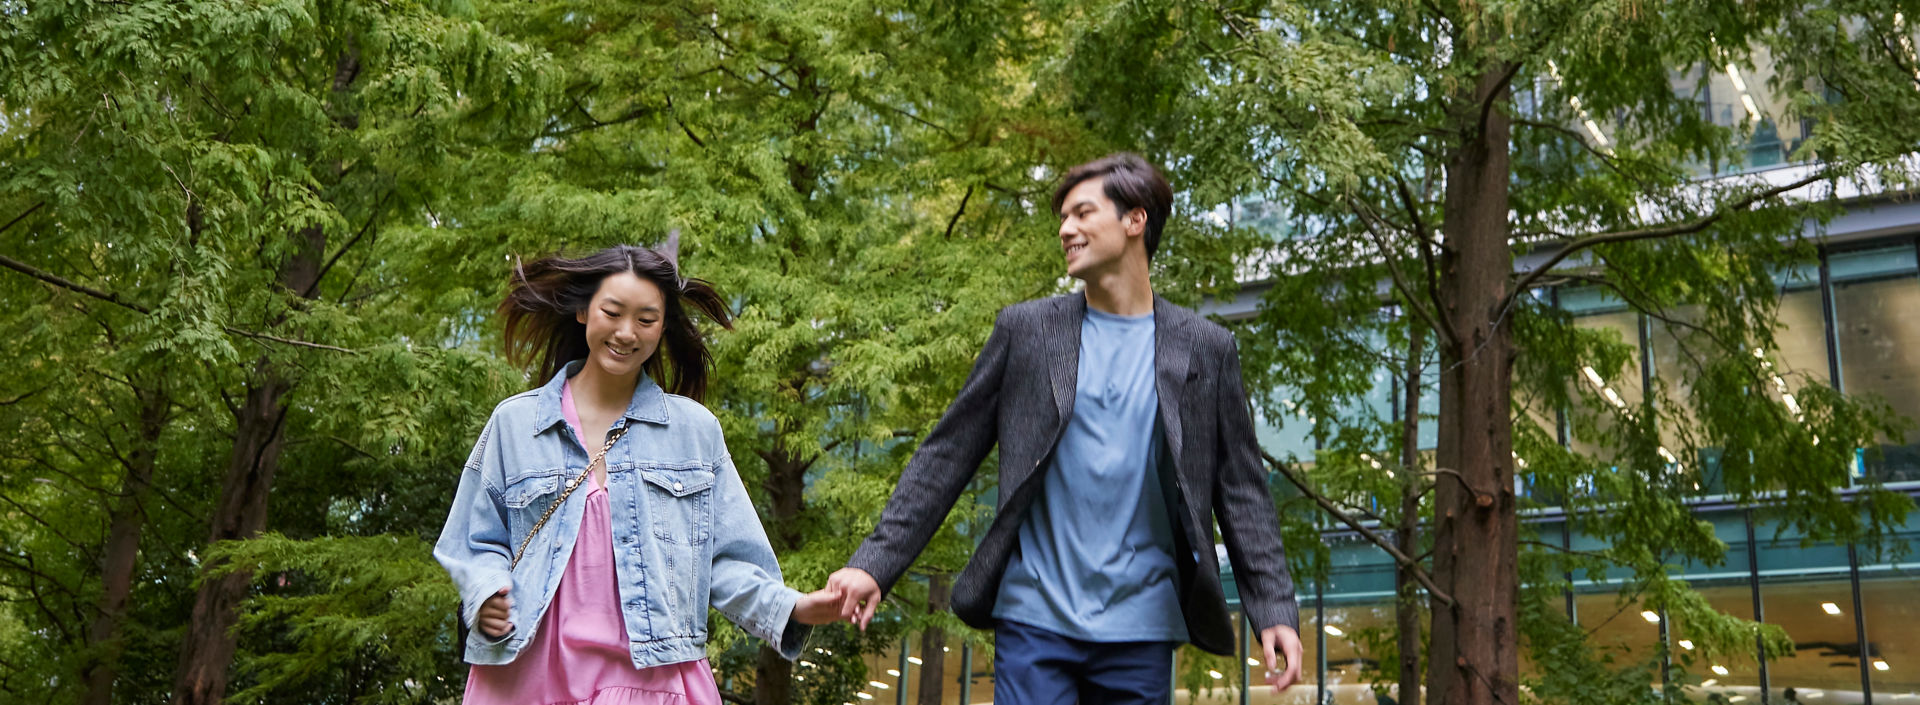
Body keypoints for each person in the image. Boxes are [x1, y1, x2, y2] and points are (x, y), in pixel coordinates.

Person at [826, 154, 1305, 703]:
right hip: (1035, 618)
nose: (1065, 229)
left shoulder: (1205, 348)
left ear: (1134, 220)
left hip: (1142, 626)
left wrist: (1273, 609)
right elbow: (946, 455)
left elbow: (1241, 490)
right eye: (1062, 217)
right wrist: (875, 564)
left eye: (1081, 213)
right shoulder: (1026, 331)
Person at [435, 240, 839, 704]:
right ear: (584, 311)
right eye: (613, 312)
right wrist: (487, 591)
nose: (627, 332)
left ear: (662, 326)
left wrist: (795, 608)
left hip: (651, 677)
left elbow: (727, 561)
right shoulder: (515, 424)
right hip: (528, 674)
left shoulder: (695, 431)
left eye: (646, 319)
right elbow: (474, 539)